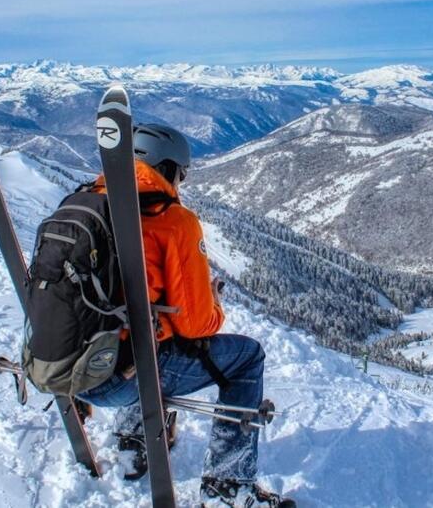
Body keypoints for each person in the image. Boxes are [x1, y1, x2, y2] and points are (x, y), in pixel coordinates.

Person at [77, 123, 283, 507]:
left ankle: (134, 439)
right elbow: (196, 325)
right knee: (245, 357)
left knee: (144, 327)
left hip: (69, 368)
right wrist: (214, 302)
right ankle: (227, 485)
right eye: (181, 173)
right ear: (167, 167)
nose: (180, 182)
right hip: (122, 378)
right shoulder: (173, 221)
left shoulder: (84, 201)